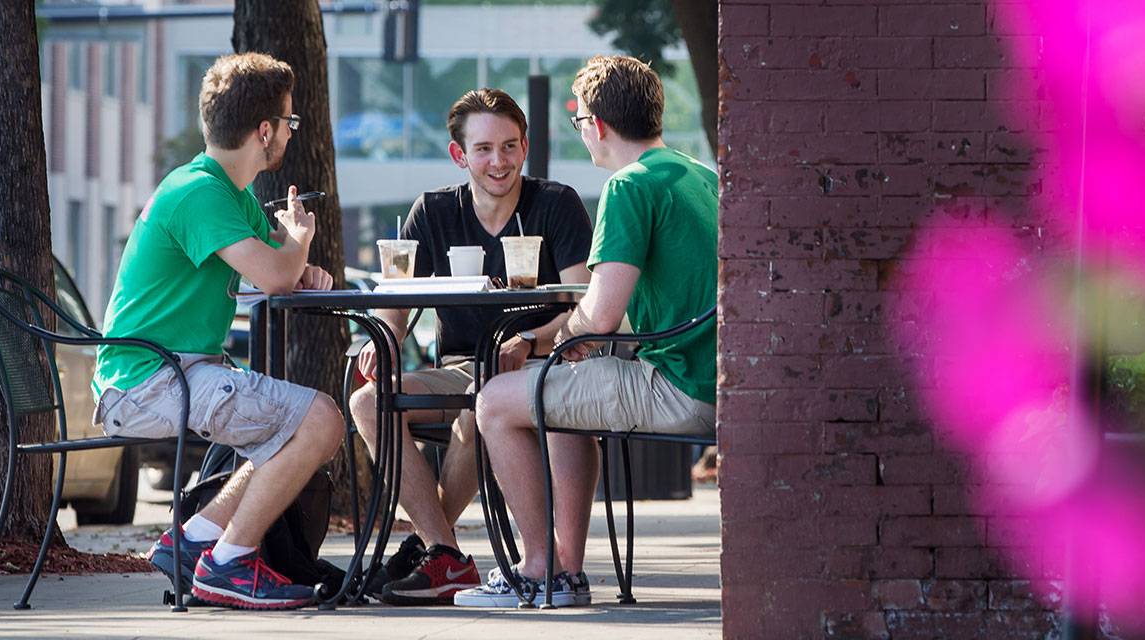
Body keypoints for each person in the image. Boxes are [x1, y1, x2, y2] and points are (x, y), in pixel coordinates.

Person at [455, 55, 718, 608]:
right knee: (560, 391)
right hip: (716, 377)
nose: (584, 137)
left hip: (680, 385)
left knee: (498, 400)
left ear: (597, 124)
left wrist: (544, 342)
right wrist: (564, 346)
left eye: (580, 124)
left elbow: (598, 318)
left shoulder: (629, 186)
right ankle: (565, 573)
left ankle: (538, 569)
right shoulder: (699, 174)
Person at [94, 52, 342, 611]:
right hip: (148, 382)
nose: (290, 132)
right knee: (321, 419)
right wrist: (299, 240)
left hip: (177, 372)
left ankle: (196, 540)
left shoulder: (232, 193)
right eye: (289, 122)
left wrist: (299, 264)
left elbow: (278, 272)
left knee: (295, 429)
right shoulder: (199, 192)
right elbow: (279, 274)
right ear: (264, 130)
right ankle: (228, 563)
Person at [347, 88, 593, 605]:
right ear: (460, 155)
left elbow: (583, 304)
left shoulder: (555, 203)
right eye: (483, 149)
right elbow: (394, 309)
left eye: (508, 146)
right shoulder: (433, 212)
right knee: (367, 402)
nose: (497, 161)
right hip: (461, 367)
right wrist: (383, 339)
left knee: (483, 402)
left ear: (524, 147)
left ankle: (433, 555)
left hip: (538, 367)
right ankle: (445, 551)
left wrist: (532, 338)